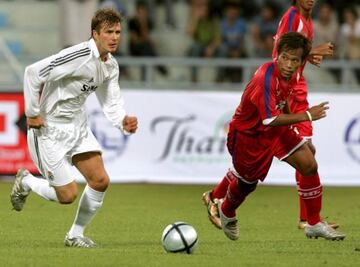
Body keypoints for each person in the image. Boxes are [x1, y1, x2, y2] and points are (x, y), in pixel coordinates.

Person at [203, 0, 340, 231]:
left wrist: (307, 56)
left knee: (307, 155)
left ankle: (309, 219)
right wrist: (311, 54)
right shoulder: (293, 18)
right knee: (250, 174)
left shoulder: (306, 19)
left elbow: (291, 54)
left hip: (291, 89)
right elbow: (282, 53)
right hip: (289, 91)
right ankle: (219, 198)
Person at [10, 8, 138, 248]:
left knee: (100, 180)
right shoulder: (77, 55)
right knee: (67, 195)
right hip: (48, 130)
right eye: (108, 32)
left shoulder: (110, 65)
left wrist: (122, 121)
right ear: (95, 34)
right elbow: (33, 73)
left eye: (118, 32)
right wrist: (32, 113)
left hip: (78, 128)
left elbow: (111, 101)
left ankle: (75, 235)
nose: (114, 37)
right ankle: (27, 181)